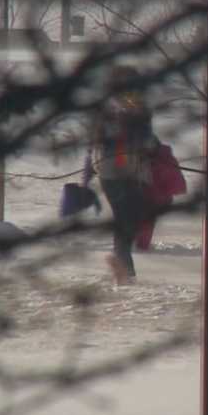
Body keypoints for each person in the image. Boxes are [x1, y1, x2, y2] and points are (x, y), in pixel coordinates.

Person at [84, 65, 159, 285]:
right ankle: (125, 269)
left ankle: (121, 262)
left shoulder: (139, 109)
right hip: (113, 170)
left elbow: (147, 140)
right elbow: (98, 140)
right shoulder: (109, 110)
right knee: (125, 217)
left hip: (128, 170)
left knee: (133, 217)